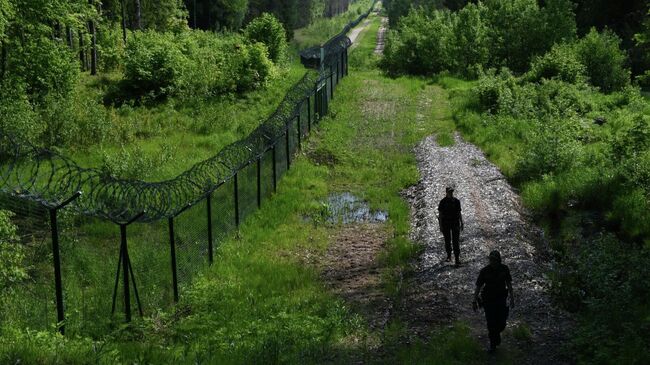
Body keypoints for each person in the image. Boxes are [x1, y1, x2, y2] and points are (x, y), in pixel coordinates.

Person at [473, 250, 515, 353]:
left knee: (501, 323)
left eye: (495, 260)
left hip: (501, 299)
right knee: (491, 323)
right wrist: (474, 299)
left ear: (499, 260)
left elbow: (509, 284)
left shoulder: (504, 269)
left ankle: (496, 335)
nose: (493, 262)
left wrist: (512, 297)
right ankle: (493, 345)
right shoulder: (485, 271)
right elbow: (478, 286)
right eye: (491, 260)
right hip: (488, 300)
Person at [437, 185, 464, 266]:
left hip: (455, 223)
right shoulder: (442, 202)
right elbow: (440, 215)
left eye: (452, 192)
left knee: (456, 241)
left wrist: (462, 222)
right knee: (447, 241)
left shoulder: (456, 201)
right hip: (446, 224)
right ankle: (449, 256)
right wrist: (440, 225)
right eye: (449, 192)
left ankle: (457, 258)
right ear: (446, 192)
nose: (451, 193)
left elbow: (459, 212)